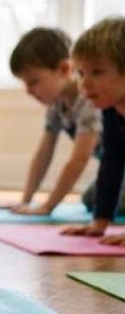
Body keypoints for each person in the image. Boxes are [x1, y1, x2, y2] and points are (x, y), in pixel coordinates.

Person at [0, 27, 106, 215]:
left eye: (33, 82)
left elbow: (79, 159)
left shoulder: (89, 100)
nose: (28, 91)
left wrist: (48, 206)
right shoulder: (57, 105)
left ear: (65, 69)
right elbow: (44, 153)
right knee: (92, 199)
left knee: (106, 201)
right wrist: (26, 200)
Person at [62, 17, 125, 245]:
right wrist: (100, 221)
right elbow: (112, 163)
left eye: (96, 72)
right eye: (80, 73)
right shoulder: (111, 110)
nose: (84, 84)